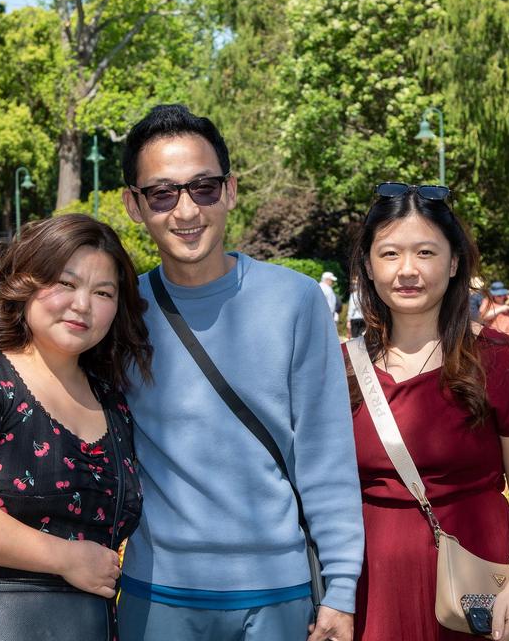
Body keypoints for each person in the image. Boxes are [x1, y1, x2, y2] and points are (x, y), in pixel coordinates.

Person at [116, 105, 362, 641]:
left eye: (202, 187)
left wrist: (341, 589)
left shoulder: (295, 301)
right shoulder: (119, 311)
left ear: (229, 190)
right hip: (156, 591)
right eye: (162, 193)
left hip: (278, 591)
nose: (185, 211)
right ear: (133, 206)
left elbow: (325, 454)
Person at [0, 214, 152, 638]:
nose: (83, 305)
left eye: (103, 292)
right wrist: (66, 558)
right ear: (26, 282)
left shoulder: (111, 400)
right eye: (66, 283)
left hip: (80, 626)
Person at [345, 183, 509, 641]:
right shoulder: (342, 368)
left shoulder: (498, 358)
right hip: (371, 587)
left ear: (454, 262)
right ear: (368, 265)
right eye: (390, 254)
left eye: (425, 252)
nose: (407, 271)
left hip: (476, 591)